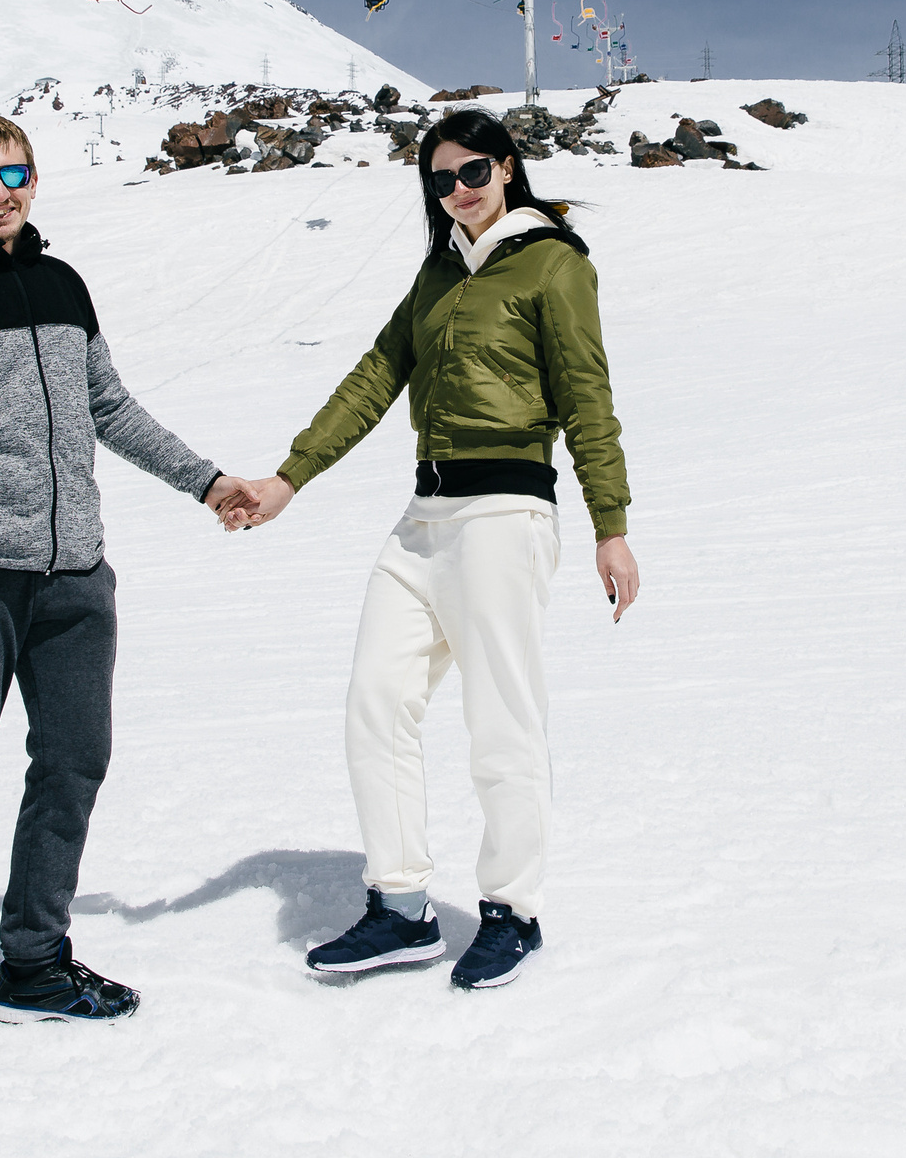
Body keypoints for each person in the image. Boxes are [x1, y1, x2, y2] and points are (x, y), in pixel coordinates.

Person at [0, 109, 256, 1078]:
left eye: (14, 174)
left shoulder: (61, 282)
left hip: (76, 574)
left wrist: (205, 481)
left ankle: (33, 960)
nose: (0, 194)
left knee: (74, 761)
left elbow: (104, 406)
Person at [229, 108, 638, 991]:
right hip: (424, 520)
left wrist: (612, 524)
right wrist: (288, 477)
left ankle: (512, 911)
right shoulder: (438, 273)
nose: (459, 190)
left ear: (508, 167)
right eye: (442, 179)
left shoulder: (552, 262)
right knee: (376, 701)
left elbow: (587, 399)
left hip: (505, 515)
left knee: (501, 720)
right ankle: (402, 906)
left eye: (474, 172)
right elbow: (377, 375)